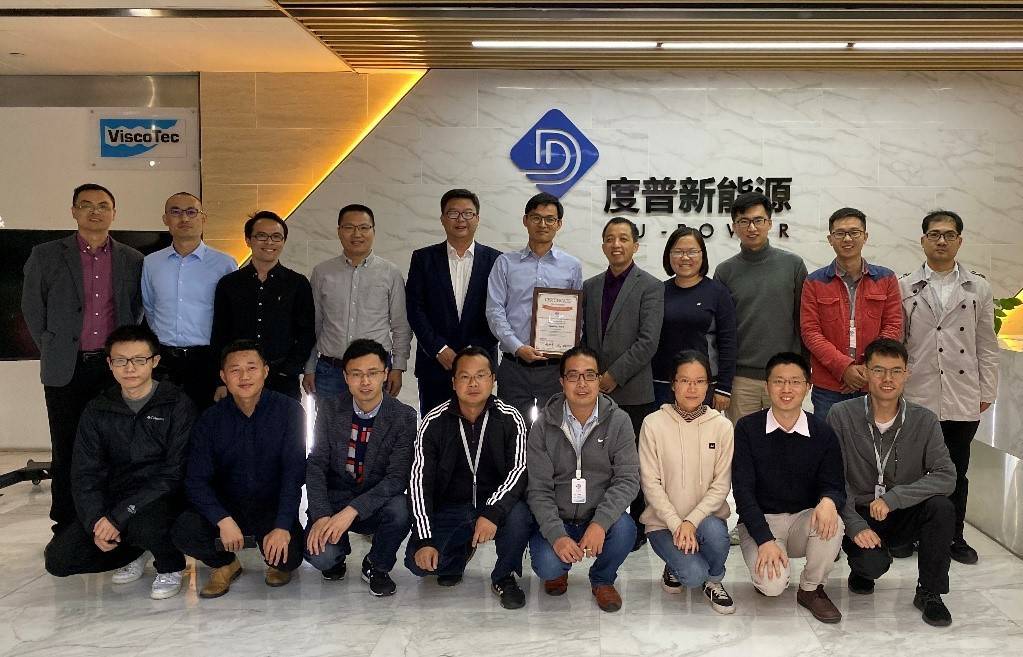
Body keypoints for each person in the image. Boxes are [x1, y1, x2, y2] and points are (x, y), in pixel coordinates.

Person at [21, 183, 144, 532]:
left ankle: (112, 519)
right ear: (74, 211)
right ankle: (66, 522)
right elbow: (32, 308)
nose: (95, 211)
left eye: (103, 205)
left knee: (114, 445)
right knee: (66, 446)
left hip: (112, 369)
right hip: (67, 366)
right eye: (86, 204)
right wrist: (52, 347)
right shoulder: (45, 255)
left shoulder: (132, 259)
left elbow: (136, 309)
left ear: (114, 213)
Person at [43, 325, 195, 600]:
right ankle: (134, 551)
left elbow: (174, 473)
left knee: (144, 525)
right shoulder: (98, 408)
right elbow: (84, 474)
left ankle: (170, 564)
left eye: (139, 360)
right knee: (59, 560)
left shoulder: (176, 403)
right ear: (109, 364)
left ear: (155, 361)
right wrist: (96, 521)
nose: (130, 368)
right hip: (116, 497)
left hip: (163, 497)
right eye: (121, 360)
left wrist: (120, 516)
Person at [828, 338, 957, 627]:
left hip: (902, 509)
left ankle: (930, 591)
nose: (888, 379)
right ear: (865, 372)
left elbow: (946, 476)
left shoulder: (924, 420)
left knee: (941, 507)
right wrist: (855, 525)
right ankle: (862, 569)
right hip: (859, 512)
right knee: (871, 565)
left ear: (906, 374)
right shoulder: (842, 415)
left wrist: (894, 498)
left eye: (896, 371)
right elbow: (833, 479)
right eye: (879, 370)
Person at [899, 209, 998, 565]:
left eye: (949, 235)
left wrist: (987, 391)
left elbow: (986, 344)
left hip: (962, 393)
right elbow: (898, 341)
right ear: (923, 239)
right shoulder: (905, 286)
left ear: (959, 241)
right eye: (935, 234)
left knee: (956, 470)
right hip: (918, 392)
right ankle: (909, 533)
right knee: (912, 470)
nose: (941, 241)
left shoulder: (978, 287)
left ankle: (954, 536)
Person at [172, 340, 305, 598]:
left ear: (265, 371)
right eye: (235, 370)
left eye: (251, 368)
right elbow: (196, 480)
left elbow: (294, 475)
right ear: (223, 376)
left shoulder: (289, 411)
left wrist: (281, 526)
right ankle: (225, 564)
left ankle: (275, 559)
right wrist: (222, 519)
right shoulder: (210, 419)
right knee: (184, 531)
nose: (244, 376)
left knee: (290, 557)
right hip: (227, 507)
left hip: (270, 506)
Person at [407, 347, 531, 609]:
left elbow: (519, 470)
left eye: (481, 375)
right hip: (452, 506)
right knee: (419, 565)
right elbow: (419, 483)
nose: (473, 383)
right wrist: (424, 540)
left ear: (493, 379)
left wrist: (492, 512)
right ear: (454, 382)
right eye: (465, 377)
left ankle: (504, 576)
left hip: (496, 505)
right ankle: (456, 556)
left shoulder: (511, 418)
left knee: (520, 515)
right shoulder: (434, 421)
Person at [732, 352, 845, 624]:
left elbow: (834, 484)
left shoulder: (822, 432)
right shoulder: (748, 428)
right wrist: (764, 539)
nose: (786, 389)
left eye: (795, 382)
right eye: (779, 381)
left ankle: (811, 588)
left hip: (802, 522)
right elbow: (743, 492)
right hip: (761, 522)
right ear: (767, 385)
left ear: (808, 387)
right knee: (772, 587)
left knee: (833, 520)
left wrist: (828, 501)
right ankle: (769, 569)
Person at [526, 345, 640, 613]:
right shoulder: (543, 425)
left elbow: (628, 479)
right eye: (573, 376)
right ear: (561, 381)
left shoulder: (619, 421)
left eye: (590, 375)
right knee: (548, 565)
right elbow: (538, 489)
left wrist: (600, 523)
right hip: (558, 516)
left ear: (599, 380)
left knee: (626, 530)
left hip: (596, 515)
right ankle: (558, 571)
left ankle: (602, 579)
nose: (582, 383)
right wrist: (556, 535)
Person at [304, 339, 416, 597]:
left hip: (376, 502)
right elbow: (317, 464)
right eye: (356, 374)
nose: (365, 381)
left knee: (402, 508)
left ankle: (377, 565)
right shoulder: (330, 409)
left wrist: (352, 511)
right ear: (345, 377)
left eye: (372, 373)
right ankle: (336, 557)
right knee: (322, 557)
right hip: (336, 499)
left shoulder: (403, 416)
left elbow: (397, 479)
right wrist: (321, 515)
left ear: (385, 374)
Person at [582, 216, 663, 550]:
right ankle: (602, 521)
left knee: (636, 462)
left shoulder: (651, 286)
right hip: (594, 392)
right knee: (599, 459)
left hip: (633, 390)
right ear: (603, 245)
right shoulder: (590, 287)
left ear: (635, 245)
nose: (616, 244)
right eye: (610, 238)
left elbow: (648, 341)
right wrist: (593, 378)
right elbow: (584, 337)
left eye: (623, 238)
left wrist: (612, 376)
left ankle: (640, 525)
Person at [639, 350, 736, 614]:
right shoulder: (653, 424)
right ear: (673, 384)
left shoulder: (722, 426)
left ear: (708, 385)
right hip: (663, 524)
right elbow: (650, 483)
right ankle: (677, 565)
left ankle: (713, 580)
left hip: (706, 521)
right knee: (692, 575)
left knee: (716, 535)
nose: (692, 388)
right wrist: (676, 524)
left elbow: (721, 485)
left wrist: (691, 522)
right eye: (684, 380)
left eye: (699, 381)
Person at [486, 192, 583, 421]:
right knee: (511, 430)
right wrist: (517, 347)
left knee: (556, 430)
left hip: (555, 368)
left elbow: (578, 318)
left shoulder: (572, 266)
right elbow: (494, 311)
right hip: (514, 366)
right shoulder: (505, 263)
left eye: (550, 219)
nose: (543, 224)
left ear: (559, 224)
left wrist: (567, 346)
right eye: (536, 217)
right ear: (525, 220)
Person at [406, 189, 502, 415]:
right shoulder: (423, 259)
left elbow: (500, 311)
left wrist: (473, 352)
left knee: (479, 428)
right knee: (435, 427)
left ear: (477, 218)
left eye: (468, 213)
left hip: (479, 366)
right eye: (453, 213)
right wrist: (439, 348)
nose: (461, 220)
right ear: (442, 218)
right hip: (435, 364)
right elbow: (415, 308)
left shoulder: (497, 260)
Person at [801, 207, 902, 421]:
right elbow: (810, 332)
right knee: (829, 440)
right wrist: (844, 368)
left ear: (865, 236)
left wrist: (867, 367)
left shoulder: (886, 279)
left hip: (875, 382)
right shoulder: (814, 282)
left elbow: (893, 327)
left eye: (854, 232)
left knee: (874, 440)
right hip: (829, 386)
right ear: (830, 239)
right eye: (840, 233)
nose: (847, 239)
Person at [714, 192, 807, 422]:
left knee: (786, 440)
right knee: (744, 440)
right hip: (741, 380)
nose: (752, 227)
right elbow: (720, 331)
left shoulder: (793, 265)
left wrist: (805, 370)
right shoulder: (725, 271)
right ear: (734, 226)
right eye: (744, 221)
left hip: (785, 376)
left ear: (770, 223)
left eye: (758, 220)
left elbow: (804, 322)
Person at [304, 204, 411, 401]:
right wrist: (309, 367)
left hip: (376, 371)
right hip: (331, 371)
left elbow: (401, 325)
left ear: (373, 231)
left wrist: (398, 367)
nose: (357, 234)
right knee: (330, 422)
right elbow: (314, 324)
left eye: (363, 227)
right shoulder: (322, 272)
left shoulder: (391, 272)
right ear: (339, 231)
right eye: (349, 227)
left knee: (377, 421)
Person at [142, 192, 237, 409]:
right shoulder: (151, 263)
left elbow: (231, 316)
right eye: (175, 212)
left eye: (191, 212)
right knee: (162, 421)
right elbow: (149, 308)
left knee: (206, 422)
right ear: (165, 219)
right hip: (163, 361)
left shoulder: (224, 264)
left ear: (203, 218)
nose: (184, 218)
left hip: (207, 360)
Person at [211, 211, 315, 401]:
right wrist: (221, 380)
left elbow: (306, 332)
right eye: (261, 236)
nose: (269, 242)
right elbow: (220, 334)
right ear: (248, 240)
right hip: (238, 378)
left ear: (283, 241)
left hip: (282, 378)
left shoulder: (297, 283)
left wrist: (289, 369)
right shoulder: (229, 284)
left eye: (276, 237)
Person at [651, 227, 737, 411]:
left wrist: (724, 387)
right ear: (668, 256)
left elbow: (728, 342)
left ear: (702, 255)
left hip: (704, 384)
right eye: (678, 252)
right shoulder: (658, 291)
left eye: (692, 252)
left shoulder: (717, 292)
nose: (685, 257)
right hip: (662, 383)